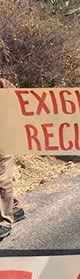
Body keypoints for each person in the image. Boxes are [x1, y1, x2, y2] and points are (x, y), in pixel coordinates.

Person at [0, 78, 25, 239]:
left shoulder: (3, 85)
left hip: (4, 139)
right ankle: (15, 208)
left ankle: (4, 222)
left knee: (2, 180)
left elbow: (19, 102)